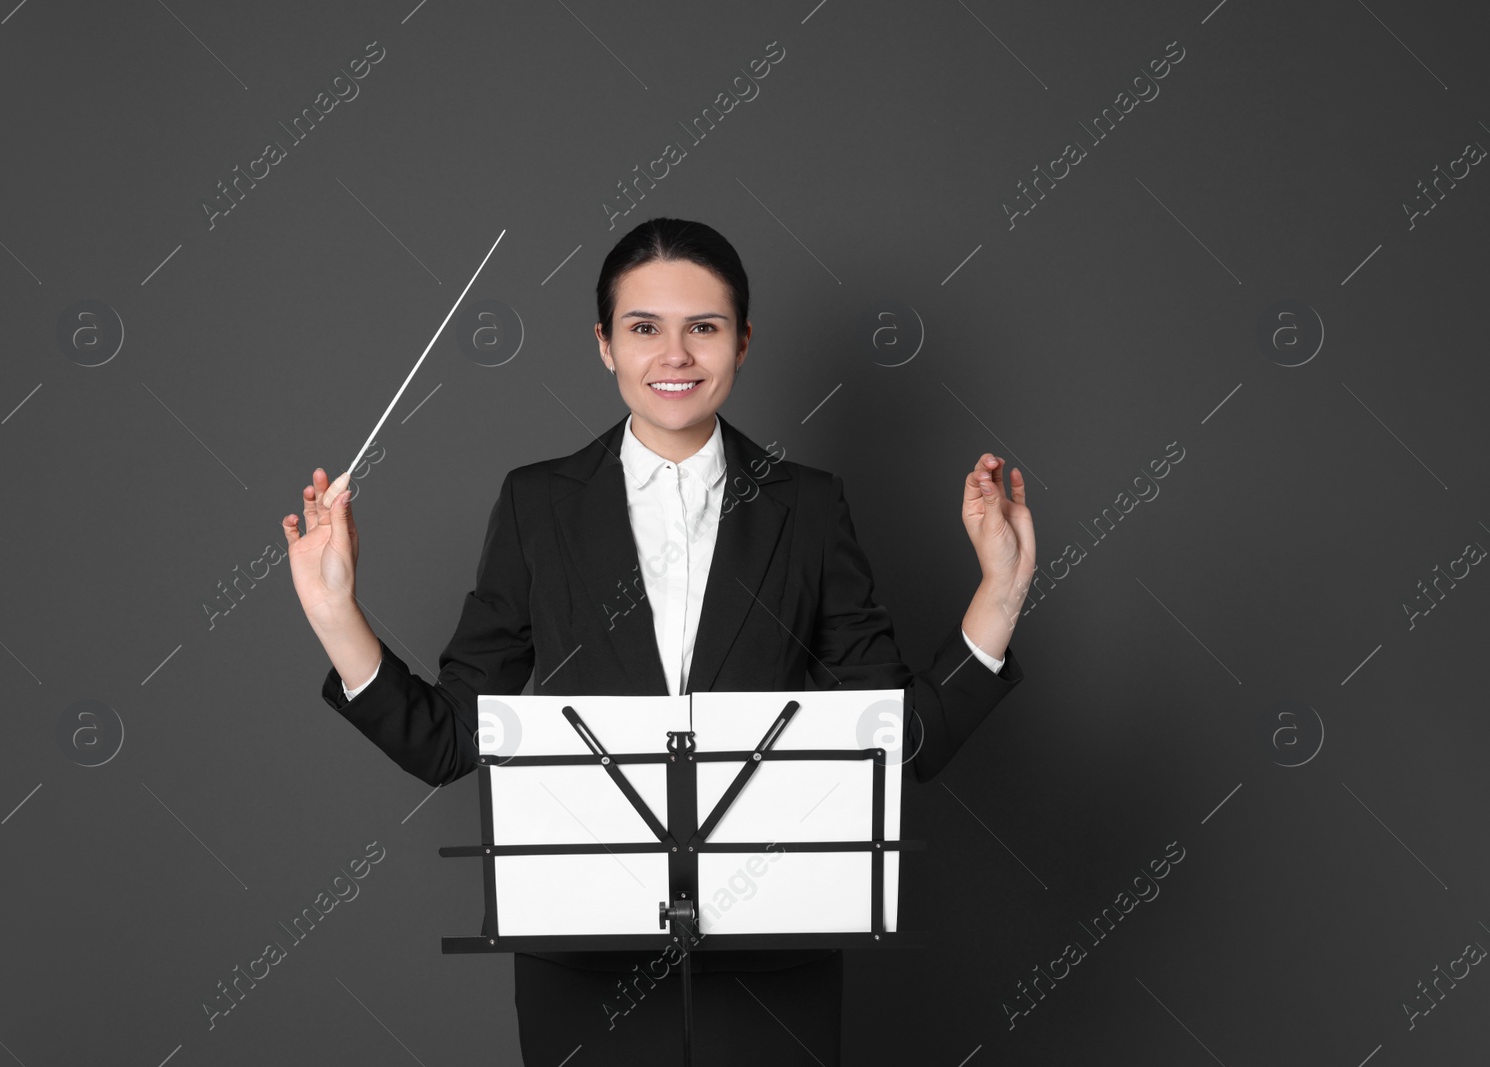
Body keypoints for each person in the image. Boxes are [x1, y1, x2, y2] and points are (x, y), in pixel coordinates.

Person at [283, 217, 1036, 1064]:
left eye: (703, 327)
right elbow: (455, 737)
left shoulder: (812, 507)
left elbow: (898, 743)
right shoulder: (537, 504)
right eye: (644, 328)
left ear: (743, 342)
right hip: (584, 964)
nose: (674, 355)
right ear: (604, 344)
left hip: (775, 958)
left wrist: (1000, 591)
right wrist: (336, 614)